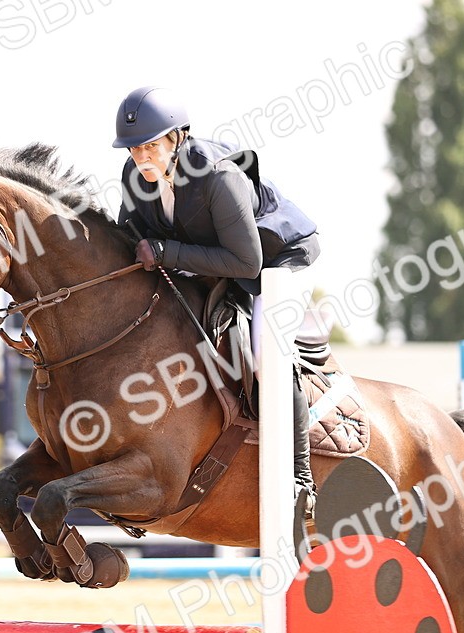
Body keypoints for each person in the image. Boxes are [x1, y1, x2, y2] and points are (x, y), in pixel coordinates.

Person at [112, 86, 320, 510]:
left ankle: (300, 477)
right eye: (134, 149)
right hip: (215, 258)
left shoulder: (217, 176)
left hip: (275, 261)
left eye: (151, 146)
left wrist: (166, 253)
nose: (141, 158)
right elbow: (127, 235)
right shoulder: (135, 177)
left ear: (178, 137)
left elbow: (246, 262)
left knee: (266, 351)